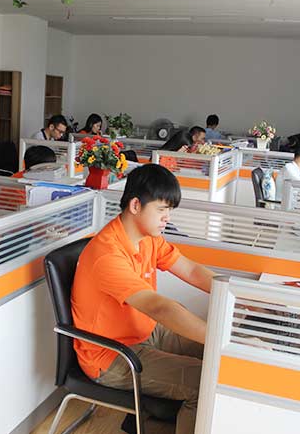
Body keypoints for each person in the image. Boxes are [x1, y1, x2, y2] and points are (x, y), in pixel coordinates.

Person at [72, 164, 216, 434]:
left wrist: (234, 293)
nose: (167, 218)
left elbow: (192, 271)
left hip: (145, 331)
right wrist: (216, 335)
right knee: (205, 382)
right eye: (162, 210)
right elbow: (158, 307)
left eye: (169, 210)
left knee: (223, 358)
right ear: (136, 205)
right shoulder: (107, 254)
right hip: (113, 355)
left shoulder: (149, 238)